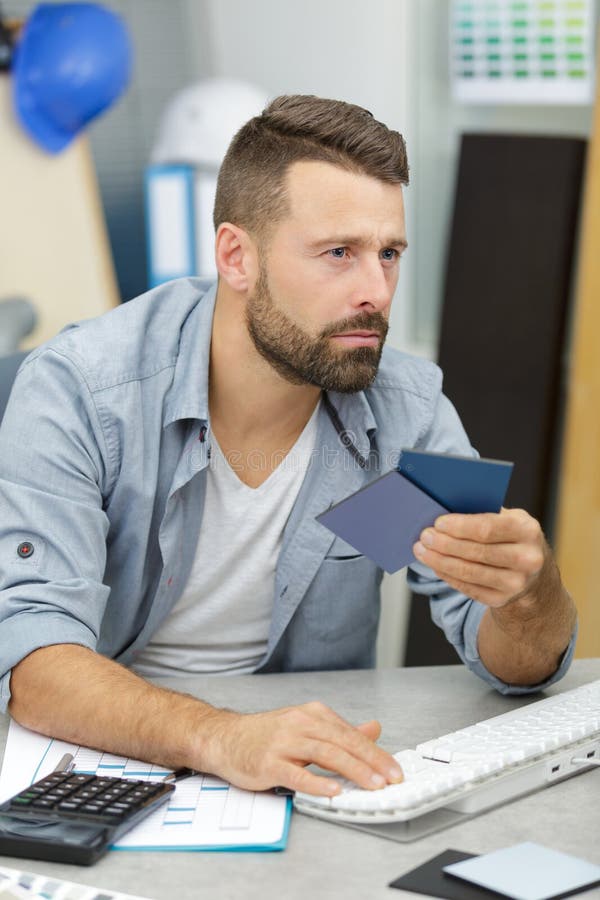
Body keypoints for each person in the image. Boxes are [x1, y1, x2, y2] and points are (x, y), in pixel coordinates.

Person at [0, 95, 577, 799]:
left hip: (302, 767)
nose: (375, 291)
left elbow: (509, 663)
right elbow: (34, 660)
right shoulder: (82, 391)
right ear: (236, 256)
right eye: (339, 253)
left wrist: (529, 599)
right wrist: (224, 736)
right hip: (103, 754)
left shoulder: (406, 409)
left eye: (388, 254)